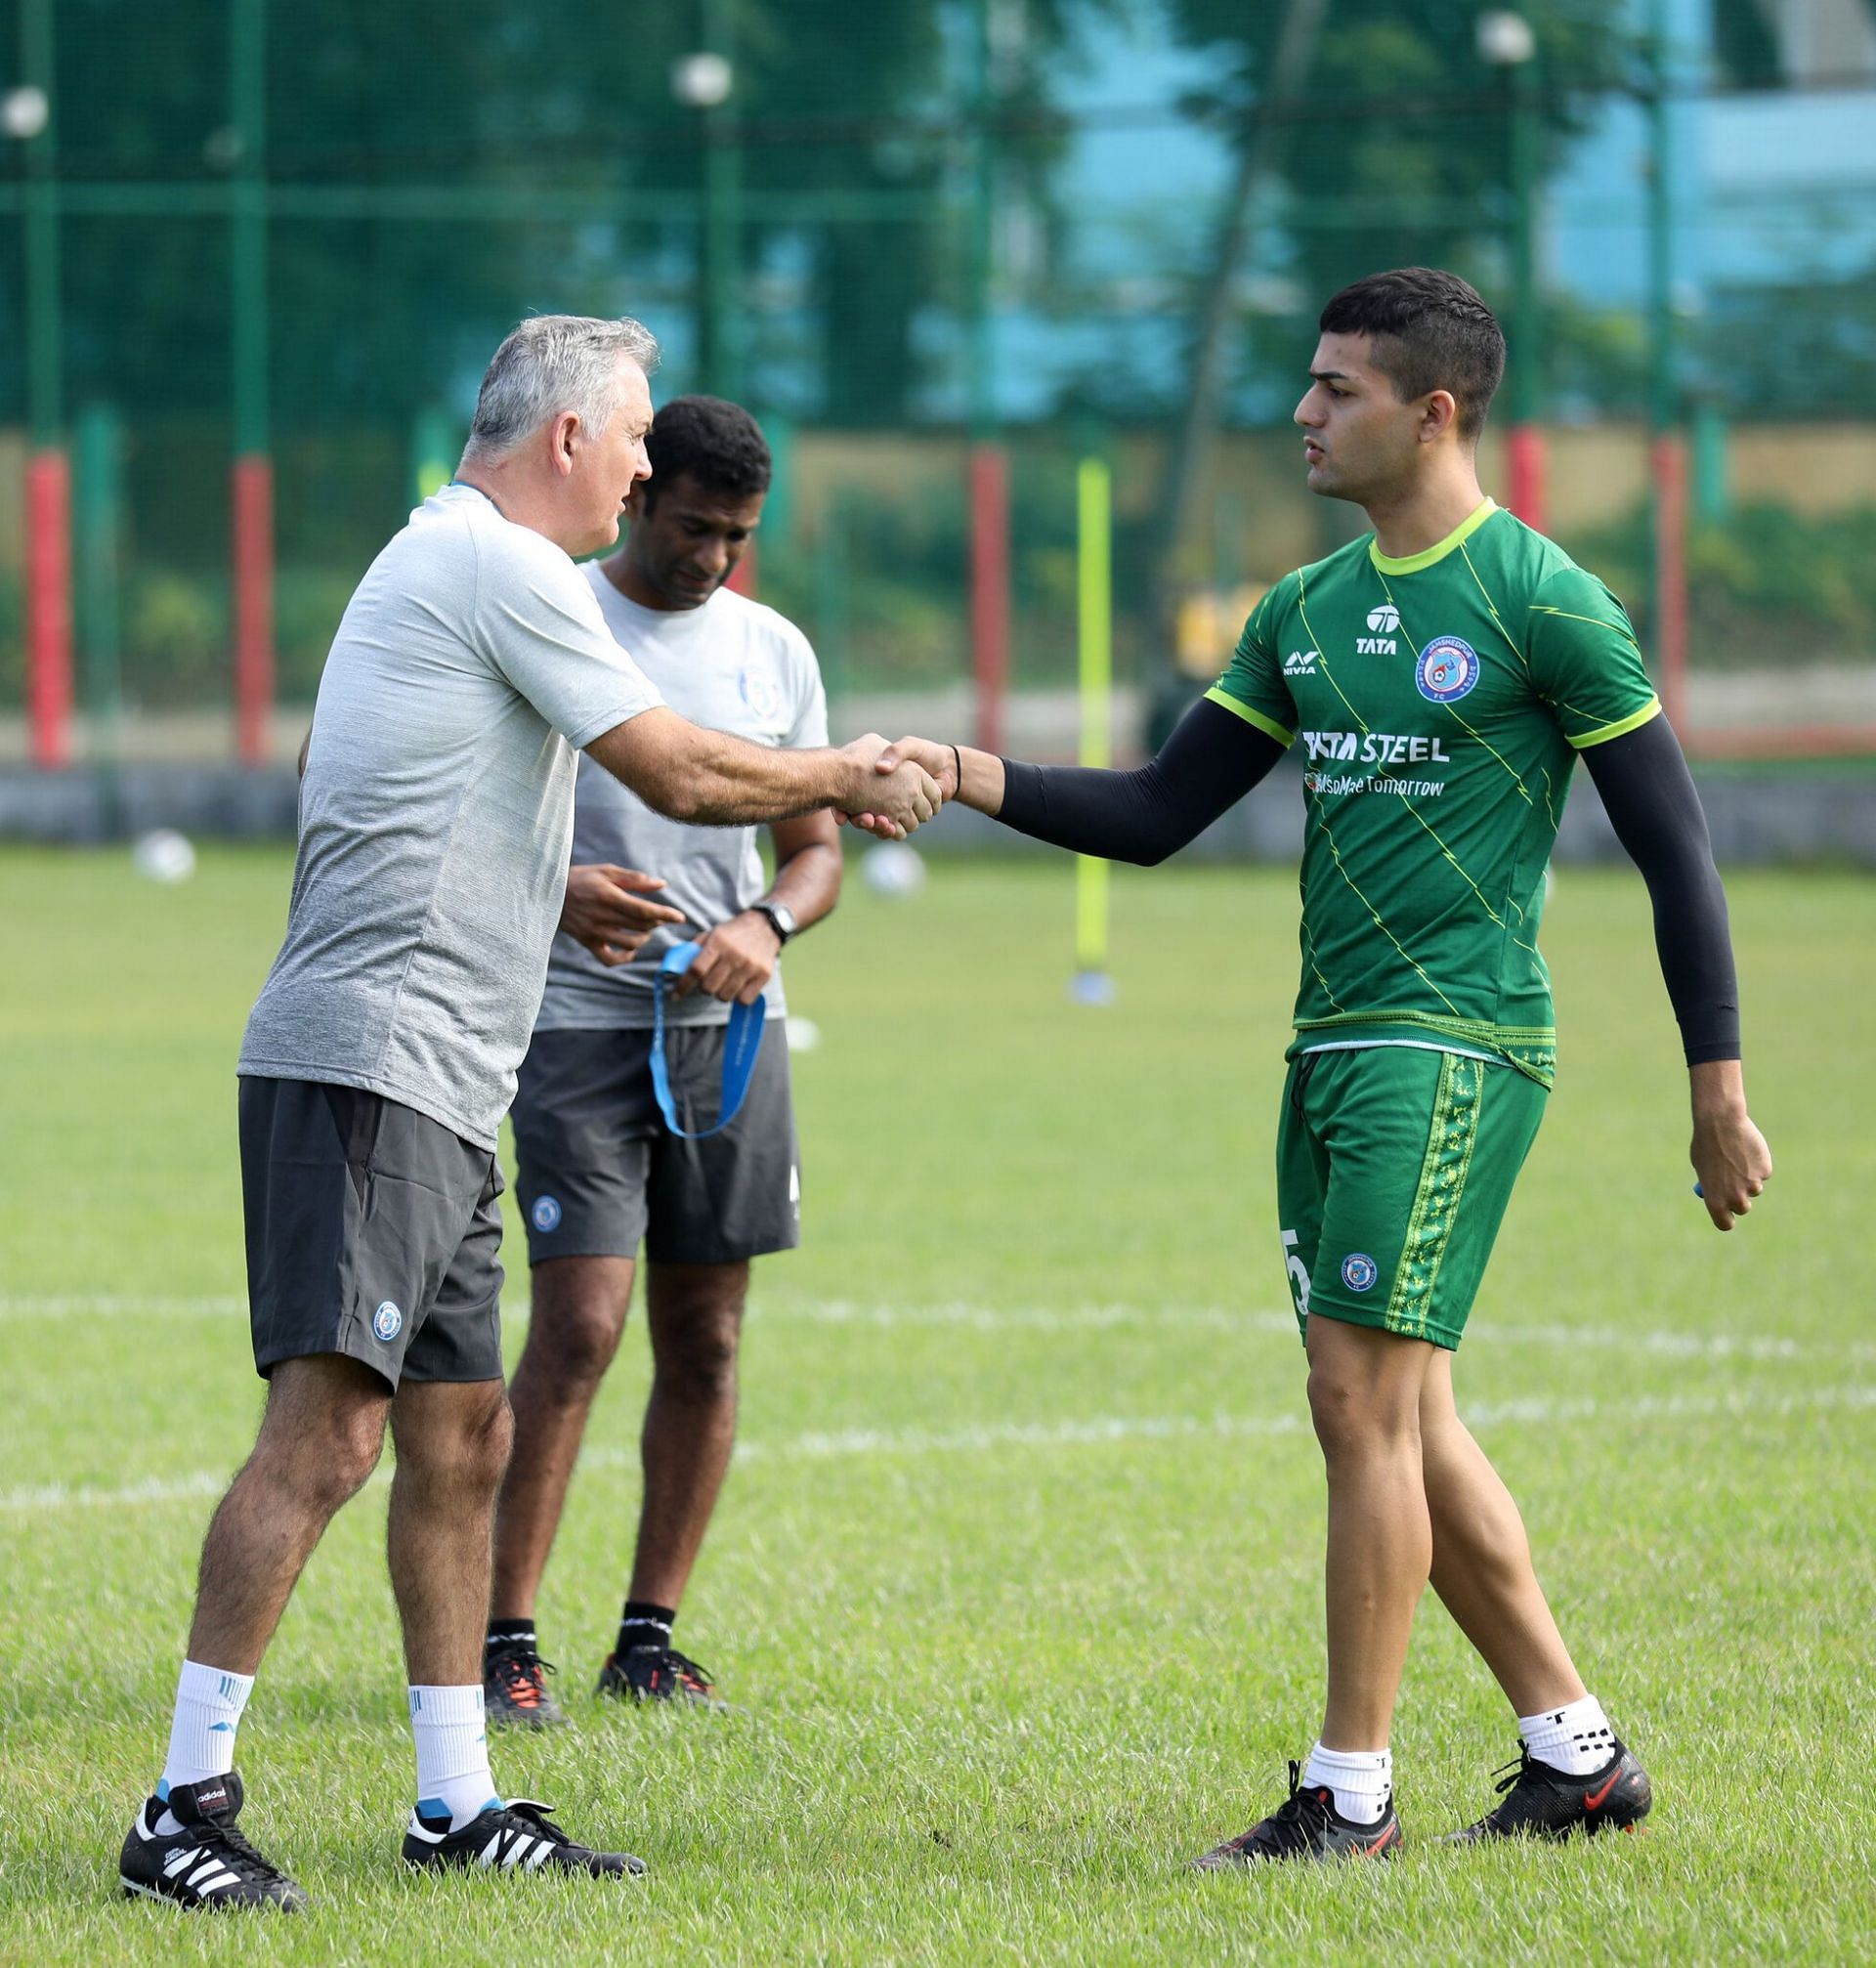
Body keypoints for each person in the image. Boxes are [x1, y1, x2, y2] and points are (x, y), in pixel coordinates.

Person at [860, 269, 1771, 1862]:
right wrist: (966, 772)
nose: (1303, 410)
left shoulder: (1541, 598)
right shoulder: (1300, 611)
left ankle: (1348, 1794)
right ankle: (1578, 1754)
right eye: (1307, 380)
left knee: (1358, 1396)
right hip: (1330, 1045)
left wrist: (1718, 1083)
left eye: (1336, 387)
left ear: (1435, 410)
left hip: (1458, 1042)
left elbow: (1675, 850)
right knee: (1402, 1411)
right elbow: (1156, 813)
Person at [117, 316, 941, 1912]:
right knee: (330, 1433)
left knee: (461, 1431)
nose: (647, 466)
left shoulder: (445, 562)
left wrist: (546, 886)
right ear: (565, 437)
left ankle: (455, 1801)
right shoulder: (497, 565)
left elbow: (375, 770)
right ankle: (181, 1803)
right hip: (372, 1060)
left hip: (443, 1072)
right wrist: (843, 767)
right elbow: (688, 771)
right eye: (634, 437)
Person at [481, 396, 836, 1726]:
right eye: (693, 526)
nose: (712, 558)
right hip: (572, 1023)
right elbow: (477, 805)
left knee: (709, 1336)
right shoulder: (552, 613)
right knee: (577, 1325)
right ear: (639, 498)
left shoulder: (771, 651)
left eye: (737, 535)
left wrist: (767, 919)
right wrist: (559, 882)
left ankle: (647, 1632)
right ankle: (504, 1635)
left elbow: (816, 849)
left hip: (723, 1042)